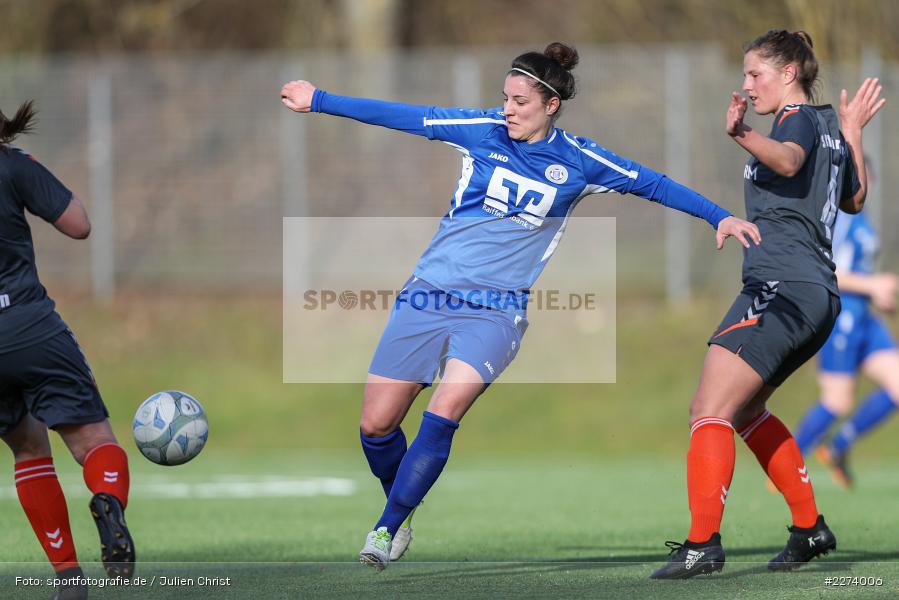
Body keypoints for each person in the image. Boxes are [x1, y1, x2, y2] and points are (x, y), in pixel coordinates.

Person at [281, 42, 760, 571]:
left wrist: (717, 216)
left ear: (551, 105)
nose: (507, 108)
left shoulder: (580, 160)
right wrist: (320, 99)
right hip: (428, 294)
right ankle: (403, 504)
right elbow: (405, 117)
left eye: (519, 101)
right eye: (504, 98)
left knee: (443, 413)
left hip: (495, 312)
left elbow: (652, 183)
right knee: (376, 425)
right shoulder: (481, 130)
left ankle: (386, 529)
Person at [651, 30, 885, 579]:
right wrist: (851, 133)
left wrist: (741, 134)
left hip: (781, 286)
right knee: (748, 411)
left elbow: (785, 160)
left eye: (755, 73)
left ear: (788, 74)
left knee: (709, 410)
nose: (747, 85)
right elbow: (854, 199)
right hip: (817, 294)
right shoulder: (829, 123)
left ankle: (701, 546)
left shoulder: (797, 120)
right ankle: (809, 529)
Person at [0, 101, 134, 600]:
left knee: (28, 448)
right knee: (94, 441)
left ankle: (68, 581)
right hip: (30, 325)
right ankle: (107, 502)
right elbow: (78, 224)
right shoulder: (14, 167)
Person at [792, 194, 899, 489]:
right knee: (837, 400)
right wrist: (872, 285)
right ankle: (786, 464)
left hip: (865, 319)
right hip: (841, 319)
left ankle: (838, 445)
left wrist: (877, 293)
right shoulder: (837, 217)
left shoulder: (861, 217)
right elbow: (826, 270)